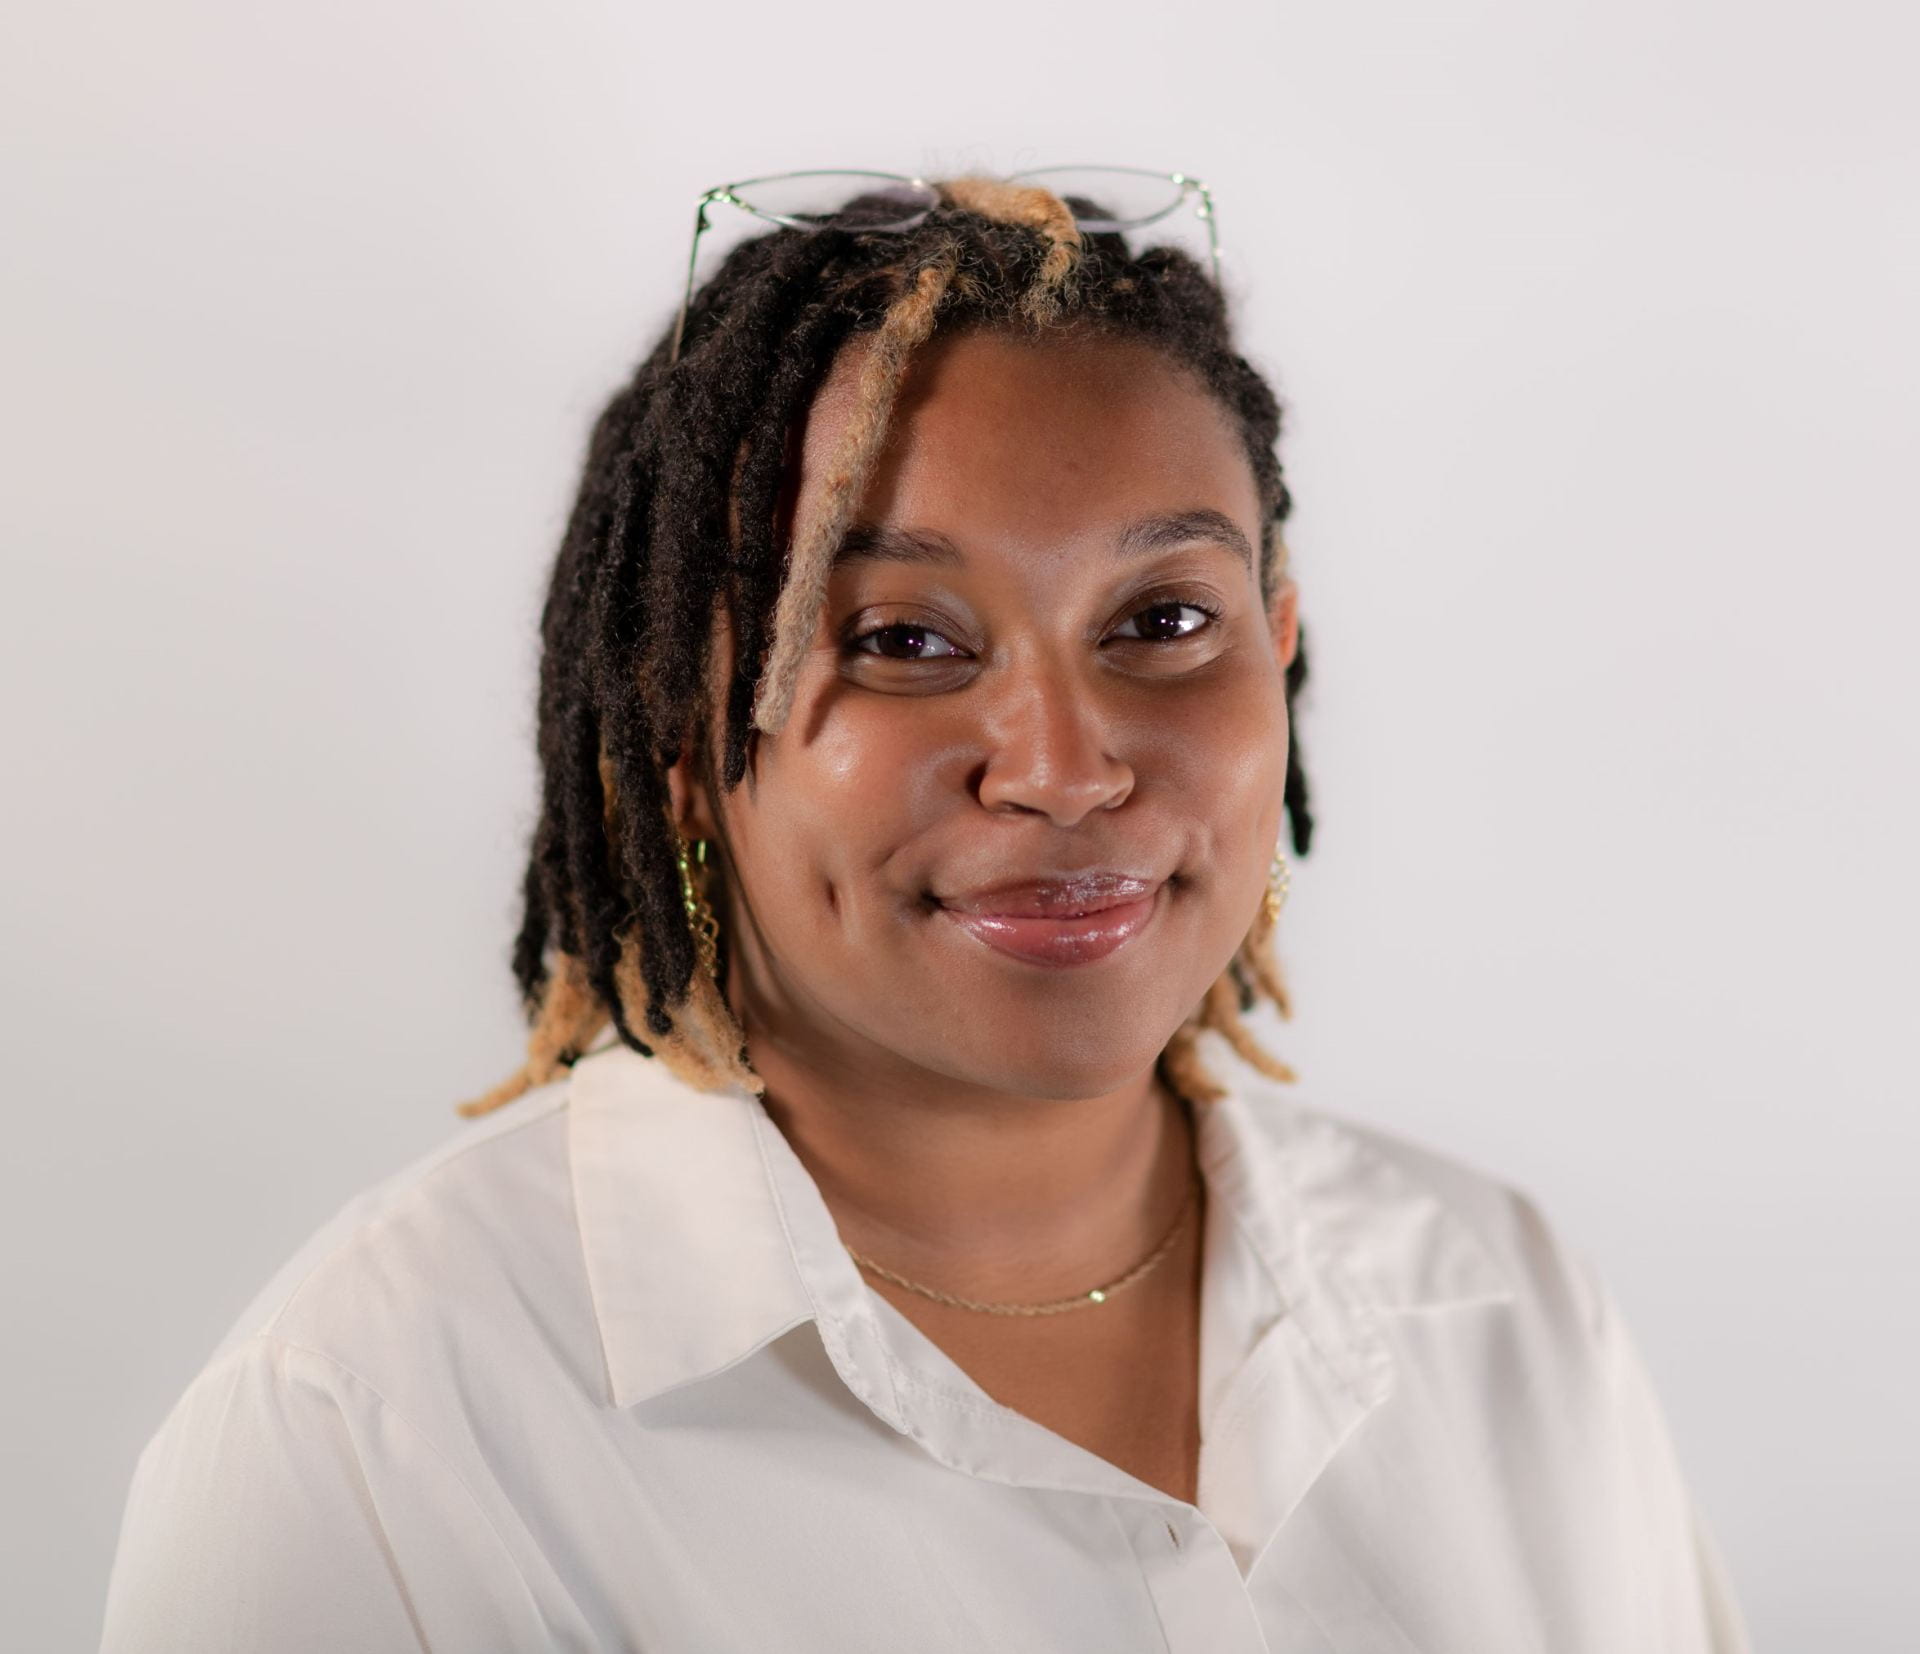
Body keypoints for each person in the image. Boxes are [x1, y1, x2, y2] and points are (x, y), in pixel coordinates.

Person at [100, 171, 1751, 1652]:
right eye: (902, 639)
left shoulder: (1509, 1310)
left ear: (1284, 649)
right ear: (682, 727)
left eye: (1165, 615)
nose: (1063, 766)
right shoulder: (376, 1436)